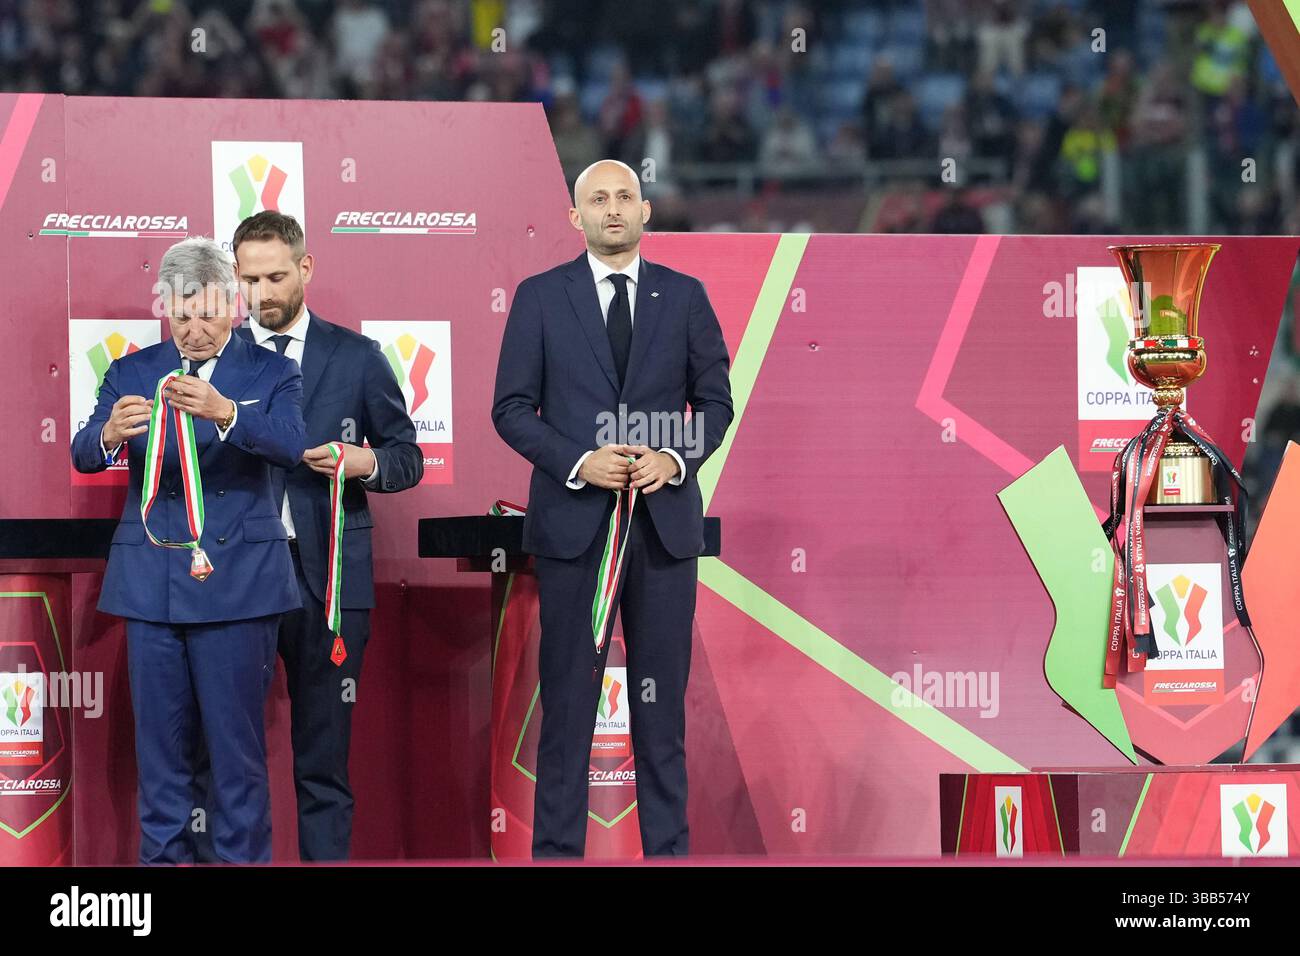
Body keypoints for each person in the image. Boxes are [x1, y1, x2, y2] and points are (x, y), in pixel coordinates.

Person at [492, 159, 733, 857]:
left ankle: (668, 855)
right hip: (574, 532)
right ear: (576, 217)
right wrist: (578, 460)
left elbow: (715, 403)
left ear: (646, 210)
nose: (613, 209)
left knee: (661, 719)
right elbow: (510, 408)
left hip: (662, 533)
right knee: (566, 709)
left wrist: (674, 458)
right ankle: (558, 856)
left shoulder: (685, 297)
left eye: (625, 196)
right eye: (597, 199)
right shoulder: (540, 297)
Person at [71, 237, 305, 864]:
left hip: (240, 586)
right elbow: (83, 451)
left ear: (233, 305)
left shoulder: (272, 372)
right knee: (161, 758)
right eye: (181, 315)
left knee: (237, 759)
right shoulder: (131, 371)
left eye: (207, 314)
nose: (194, 330)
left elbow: (291, 445)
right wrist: (109, 434)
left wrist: (228, 413)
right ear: (165, 311)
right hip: (151, 584)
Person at [232, 211, 424, 861]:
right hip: (235, 580)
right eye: (250, 278)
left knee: (323, 764)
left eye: (277, 276)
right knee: (227, 762)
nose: (263, 293)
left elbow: (406, 456)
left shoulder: (358, 358)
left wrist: (363, 461)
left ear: (306, 268)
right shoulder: (216, 361)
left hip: (331, 584)